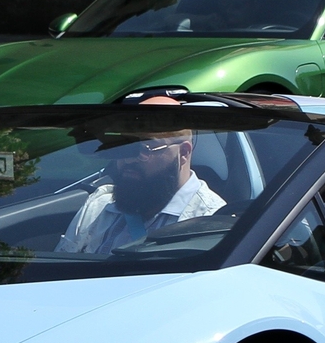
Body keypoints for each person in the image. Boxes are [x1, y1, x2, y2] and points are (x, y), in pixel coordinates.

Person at [57, 100, 227, 254]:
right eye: (123, 147)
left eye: (144, 148)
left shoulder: (211, 221)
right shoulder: (99, 205)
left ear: (183, 153)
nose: (128, 159)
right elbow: (58, 272)